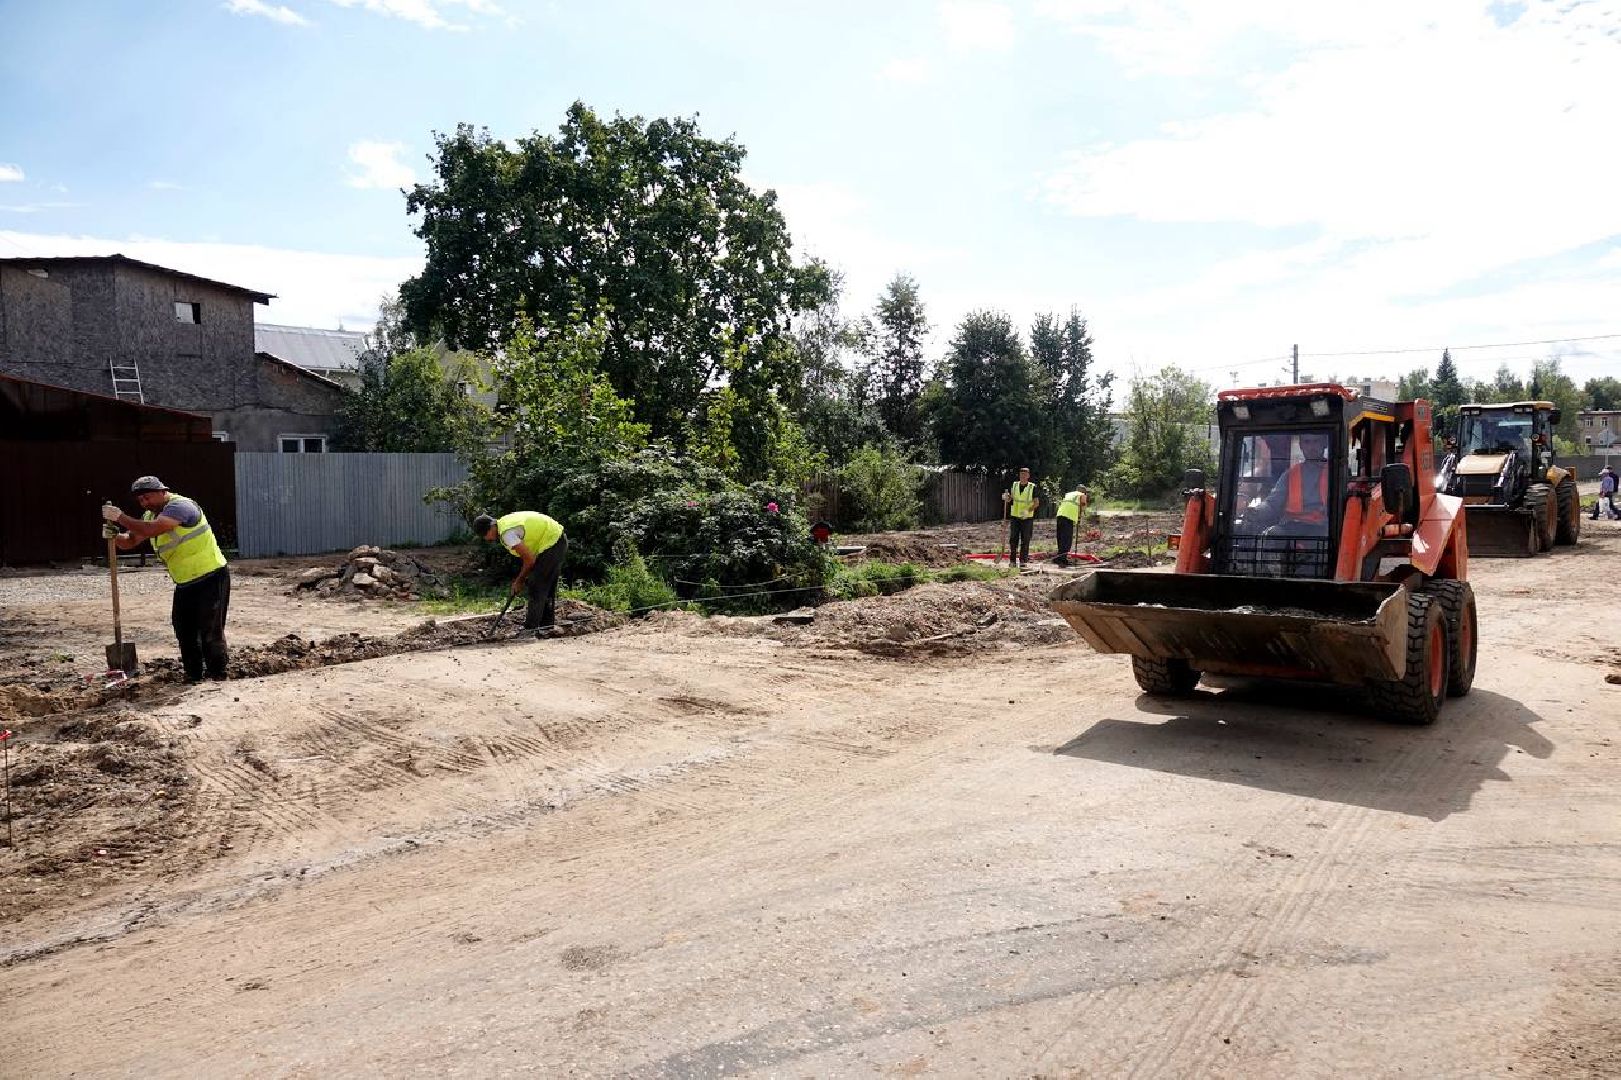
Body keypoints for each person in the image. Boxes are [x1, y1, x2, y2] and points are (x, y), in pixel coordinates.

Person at [101, 476, 230, 683]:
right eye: (141, 500)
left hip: (211, 576)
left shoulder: (181, 506)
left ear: (163, 491)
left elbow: (151, 529)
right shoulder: (149, 515)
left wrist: (121, 518)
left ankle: (218, 676)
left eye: (147, 497)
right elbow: (131, 541)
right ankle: (193, 676)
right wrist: (114, 536)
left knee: (210, 630)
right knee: (184, 630)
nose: (145, 503)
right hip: (185, 583)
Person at [473, 510, 568, 633]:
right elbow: (529, 558)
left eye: (485, 536)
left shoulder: (507, 534)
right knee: (545, 586)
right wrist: (521, 578)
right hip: (554, 540)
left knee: (536, 585)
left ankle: (530, 629)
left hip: (553, 542)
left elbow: (529, 560)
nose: (487, 539)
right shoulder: (504, 524)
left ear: (490, 528)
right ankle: (546, 627)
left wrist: (519, 580)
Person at [1244, 431, 1333, 531]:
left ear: (1324, 443)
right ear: (1301, 445)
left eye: (1316, 441)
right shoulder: (1290, 474)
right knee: (1273, 534)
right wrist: (1255, 512)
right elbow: (1272, 503)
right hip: (1291, 527)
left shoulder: (1335, 472)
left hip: (1322, 528)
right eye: (1307, 442)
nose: (1311, 447)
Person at [1002, 467, 1040, 568]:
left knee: (1025, 539)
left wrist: (1027, 511)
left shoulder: (1032, 487)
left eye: (1025, 474)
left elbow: (1036, 503)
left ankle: (1023, 560)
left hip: (1027, 518)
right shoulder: (1014, 485)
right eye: (1021, 474)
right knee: (1013, 539)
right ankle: (1012, 561)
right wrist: (1007, 498)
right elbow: (1011, 499)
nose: (1022, 476)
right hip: (1015, 517)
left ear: (1028, 476)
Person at [1052, 485, 1090, 566]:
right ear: (1084, 492)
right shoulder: (1082, 495)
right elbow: (1083, 504)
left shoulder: (1069, 494)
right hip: (1068, 517)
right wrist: (1080, 516)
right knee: (1067, 539)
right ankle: (1062, 559)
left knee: (1061, 538)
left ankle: (1060, 556)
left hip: (1060, 515)